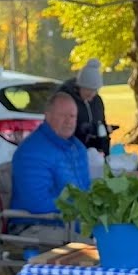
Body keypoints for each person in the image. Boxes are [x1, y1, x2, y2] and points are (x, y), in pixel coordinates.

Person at [8, 93, 91, 242]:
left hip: (72, 224)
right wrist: (79, 208)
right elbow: (36, 204)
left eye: (72, 116)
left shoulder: (77, 147)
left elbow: (87, 189)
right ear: (47, 115)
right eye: (62, 115)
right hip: (36, 225)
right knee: (94, 250)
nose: (68, 121)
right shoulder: (32, 151)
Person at [58, 59, 111, 155]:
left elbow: (101, 123)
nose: (92, 95)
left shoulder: (97, 101)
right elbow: (59, 129)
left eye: (95, 91)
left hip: (93, 154)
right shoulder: (67, 101)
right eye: (88, 91)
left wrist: (104, 130)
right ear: (80, 86)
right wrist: (80, 129)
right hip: (70, 153)